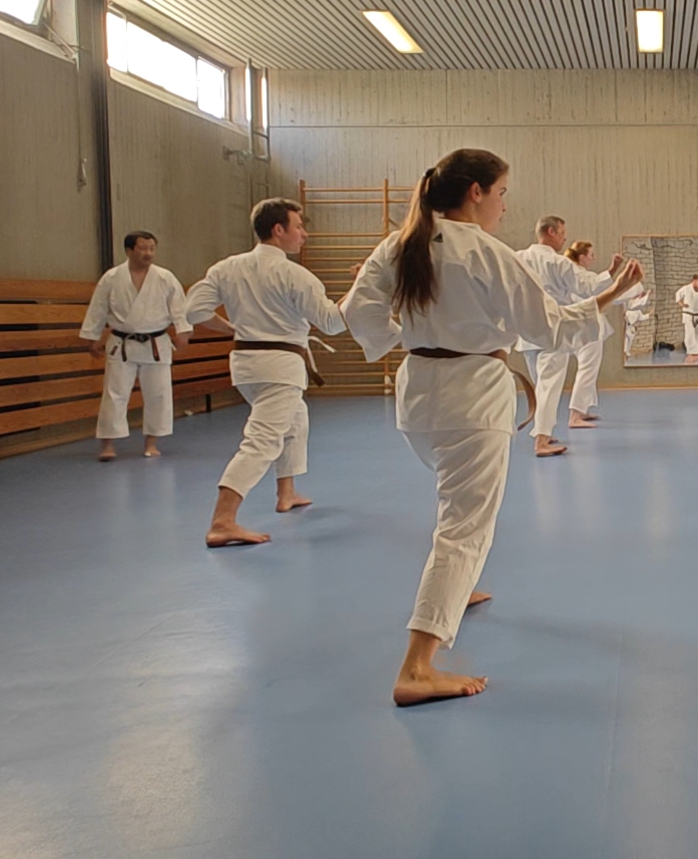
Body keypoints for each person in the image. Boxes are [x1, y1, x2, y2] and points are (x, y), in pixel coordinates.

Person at [340, 149, 645, 706]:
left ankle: (455, 590)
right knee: (463, 525)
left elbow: (356, 311)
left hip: (417, 393)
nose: (505, 205)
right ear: (476, 192)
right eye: (502, 193)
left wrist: (397, 337)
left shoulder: (398, 244)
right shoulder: (484, 251)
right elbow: (547, 327)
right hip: (470, 396)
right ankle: (417, 666)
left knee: (456, 506)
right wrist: (610, 295)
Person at [185, 198, 347, 547]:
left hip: (246, 364)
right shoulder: (293, 274)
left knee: (296, 418)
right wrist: (360, 293)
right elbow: (332, 323)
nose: (304, 234)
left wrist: (233, 328)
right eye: (299, 226)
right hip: (280, 367)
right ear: (279, 230)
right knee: (261, 440)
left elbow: (194, 310)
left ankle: (285, 492)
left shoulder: (226, 268)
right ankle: (223, 520)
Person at [80, 231, 191, 460]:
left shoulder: (165, 277)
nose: (148, 253)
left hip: (156, 342)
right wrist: (93, 336)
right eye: (143, 248)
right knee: (114, 394)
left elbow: (179, 307)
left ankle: (151, 443)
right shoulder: (112, 277)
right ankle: (108, 446)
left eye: (152, 248)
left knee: (158, 394)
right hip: (121, 342)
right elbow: (98, 308)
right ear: (129, 251)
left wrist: (182, 332)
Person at [515, 216, 596, 456]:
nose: (564, 238)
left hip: (527, 332)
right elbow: (586, 287)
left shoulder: (517, 258)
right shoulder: (558, 262)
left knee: (542, 385)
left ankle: (544, 434)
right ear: (550, 232)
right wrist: (615, 278)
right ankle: (541, 441)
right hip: (552, 330)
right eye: (562, 233)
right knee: (549, 387)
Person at [564, 240, 615, 428]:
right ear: (582, 257)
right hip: (586, 327)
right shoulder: (579, 276)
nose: (593, 259)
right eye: (591, 255)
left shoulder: (574, 273)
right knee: (587, 368)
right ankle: (575, 415)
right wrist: (614, 270)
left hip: (578, 325)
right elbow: (597, 290)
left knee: (588, 368)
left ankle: (582, 410)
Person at [621, 280, 653, 358]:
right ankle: (624, 353)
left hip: (630, 326)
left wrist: (650, 314)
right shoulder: (630, 303)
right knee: (625, 340)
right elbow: (639, 302)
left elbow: (642, 317)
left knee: (630, 339)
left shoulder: (638, 311)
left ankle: (626, 352)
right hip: (625, 323)